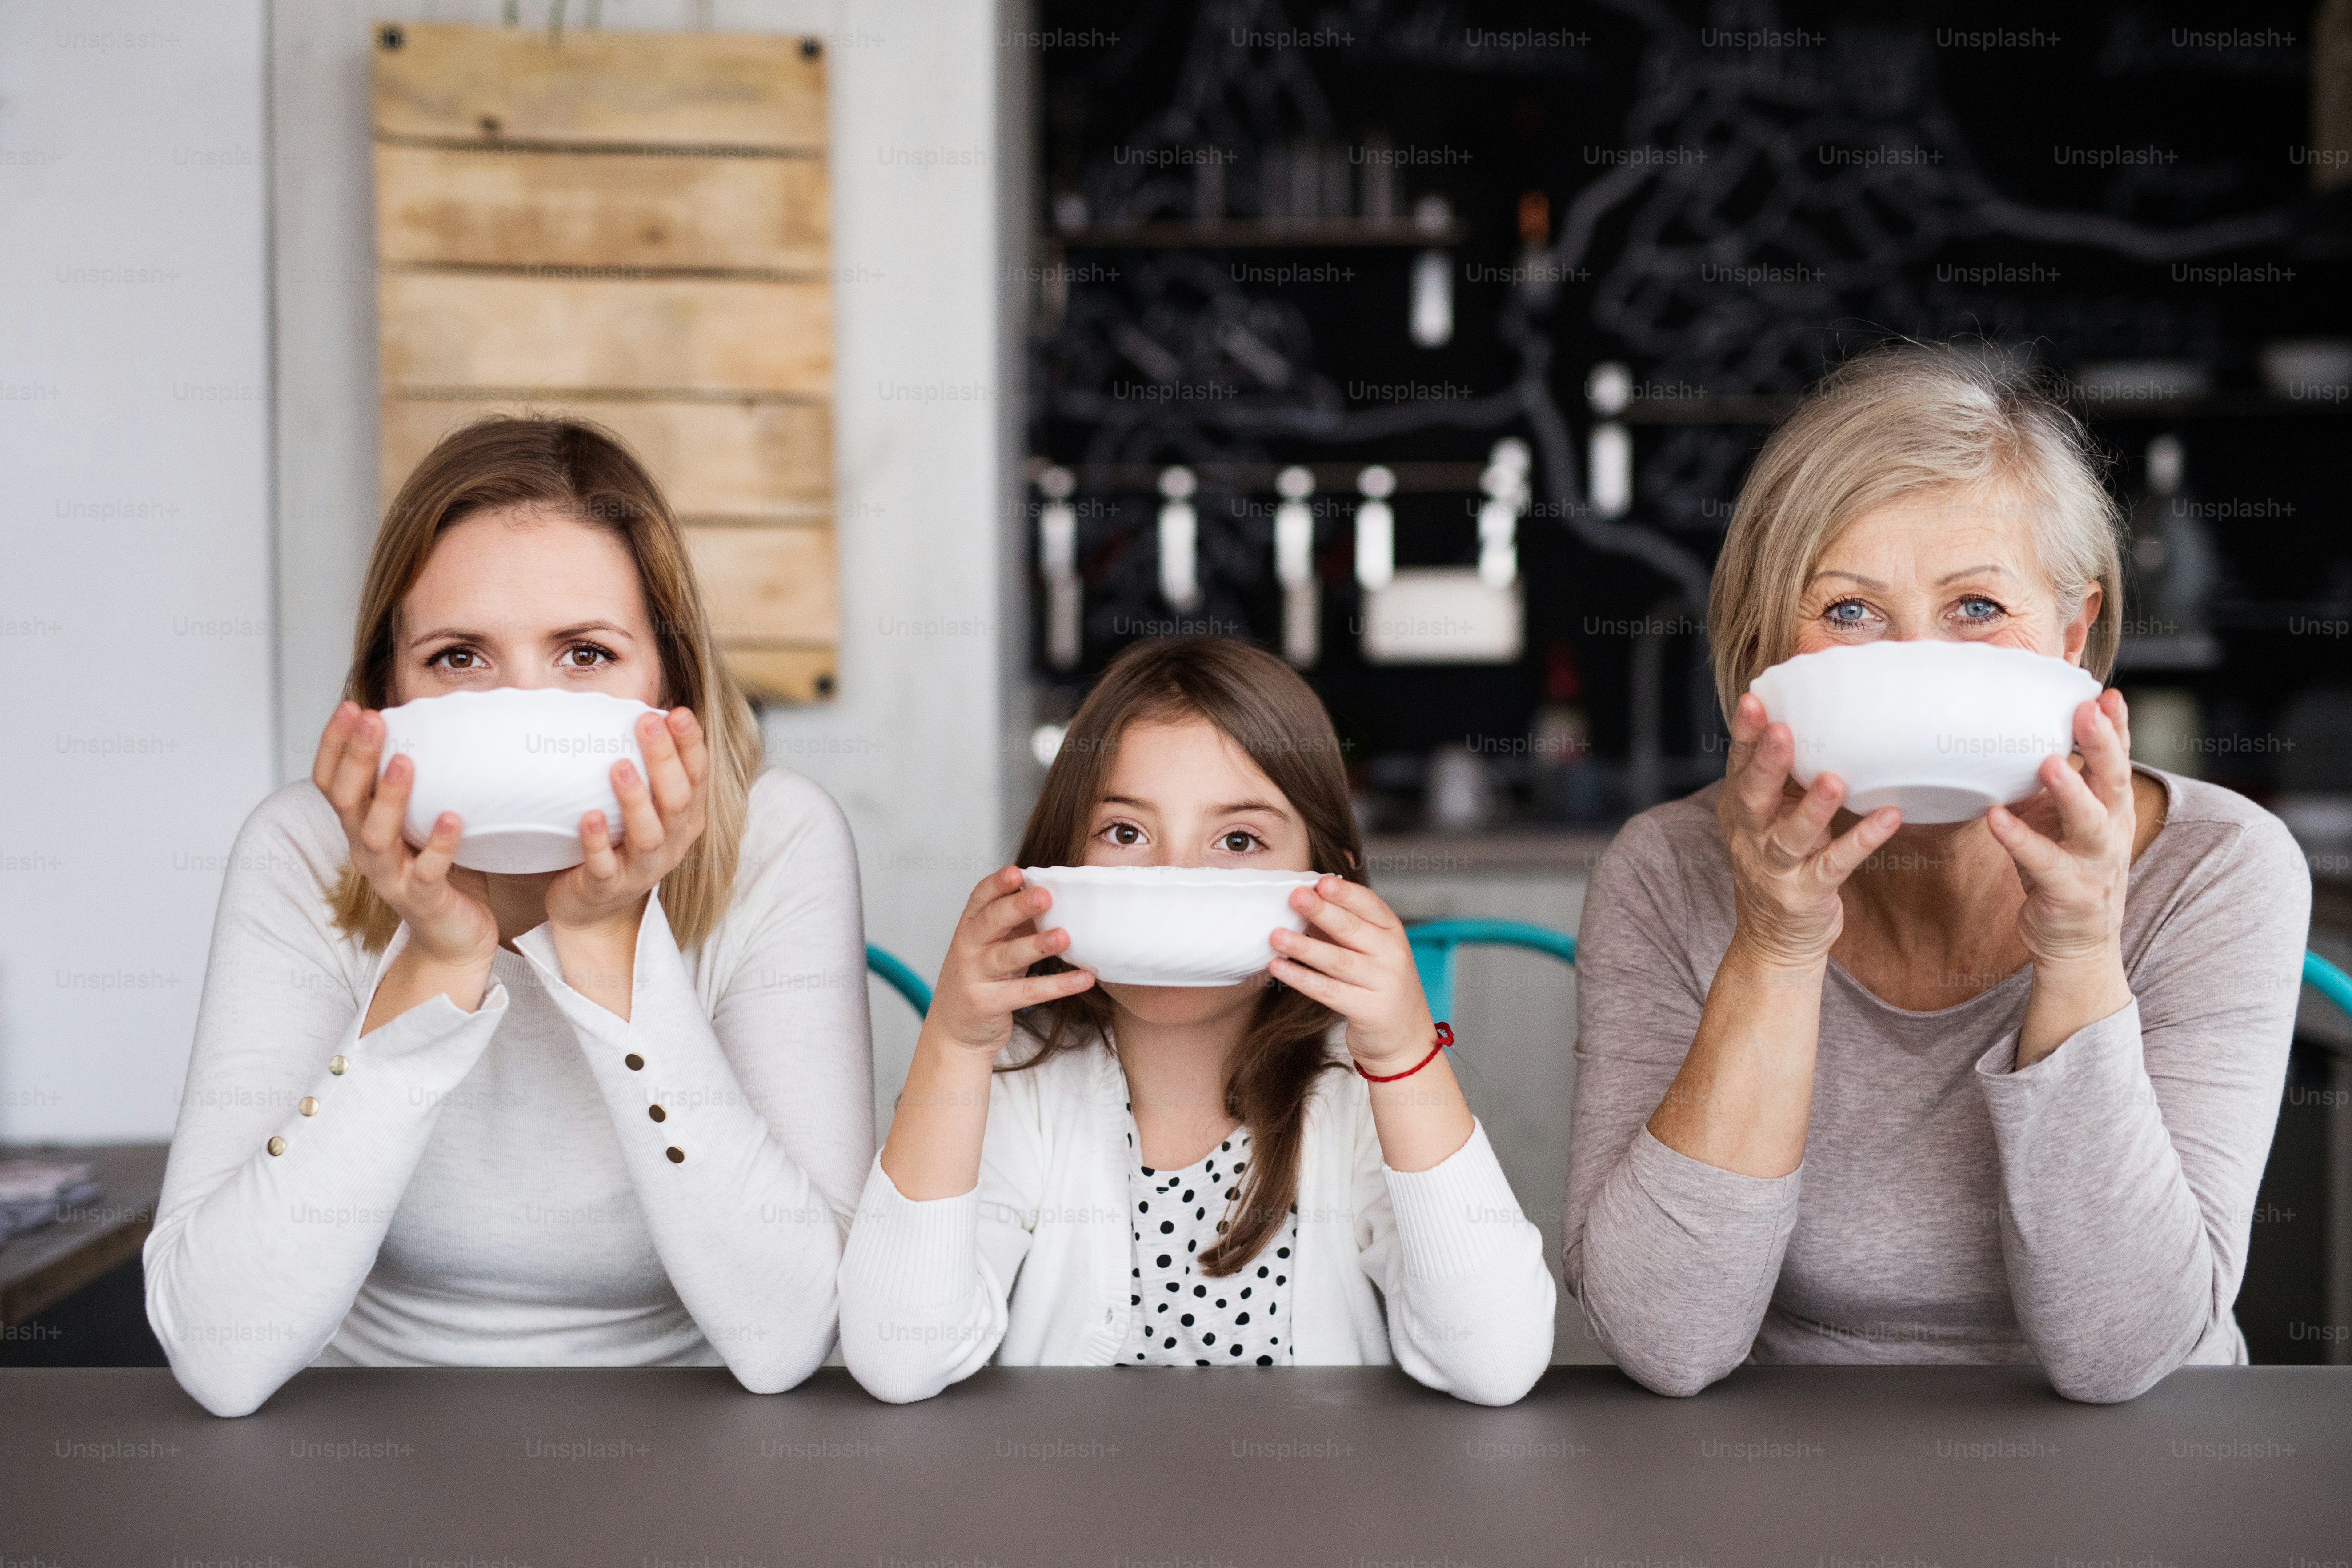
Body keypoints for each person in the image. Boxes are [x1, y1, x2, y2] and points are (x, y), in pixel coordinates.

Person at [1563, 342, 2311, 1401]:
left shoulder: (2218, 869)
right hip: (1780, 1467)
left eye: (1975, 608)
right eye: (1850, 612)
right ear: (1764, 654)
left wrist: (2084, 950)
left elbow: (2124, 1357)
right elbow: (1668, 1341)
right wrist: (1775, 947)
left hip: (2132, 1478)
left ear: (2073, 634)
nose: (1916, 662)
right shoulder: (1667, 871)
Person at [146, 418, 872, 1416]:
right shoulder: (301, 848)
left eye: (585, 653)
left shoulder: (780, 843)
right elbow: (219, 1353)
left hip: (700, 1440)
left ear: (670, 686)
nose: (525, 711)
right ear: (385, 695)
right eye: (459, 659)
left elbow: (791, 1334)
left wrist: (608, 946)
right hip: (362, 1441)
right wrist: (434, 965)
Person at [839, 638, 1554, 1404]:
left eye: (1238, 840)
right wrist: (951, 1046)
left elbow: (1494, 1362)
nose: (1172, 883)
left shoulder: (1352, 1082)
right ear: (1061, 862)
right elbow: (898, 1360)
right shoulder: (1023, 1074)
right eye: (1125, 833)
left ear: (1328, 881)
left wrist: (1406, 1057)